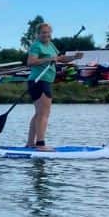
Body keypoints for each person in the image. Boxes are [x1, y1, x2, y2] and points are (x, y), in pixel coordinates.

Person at [25, 22, 83, 150]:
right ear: (38, 34)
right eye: (43, 32)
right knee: (44, 114)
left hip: (45, 81)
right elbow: (30, 62)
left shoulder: (50, 45)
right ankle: (40, 145)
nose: (46, 35)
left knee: (39, 113)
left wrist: (74, 57)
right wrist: (48, 59)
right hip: (39, 81)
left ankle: (30, 143)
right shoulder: (36, 46)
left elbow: (60, 58)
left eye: (48, 32)